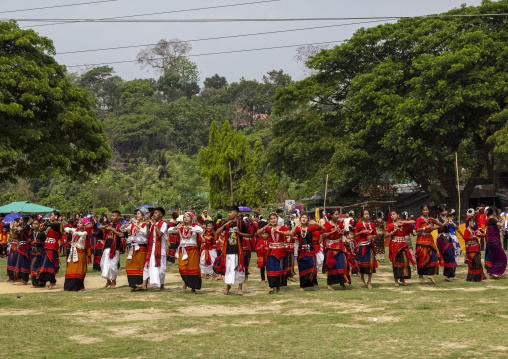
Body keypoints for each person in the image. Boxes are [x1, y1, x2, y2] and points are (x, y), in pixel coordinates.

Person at [216, 206, 252, 295]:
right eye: (228, 212)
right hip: (227, 250)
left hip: (238, 250)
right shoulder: (226, 222)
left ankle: (240, 288)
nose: (229, 214)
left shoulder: (241, 223)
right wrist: (224, 225)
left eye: (231, 212)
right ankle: (228, 286)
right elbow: (217, 232)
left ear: (236, 213)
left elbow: (249, 235)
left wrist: (239, 233)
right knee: (228, 269)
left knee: (239, 270)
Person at [169, 212, 203, 294]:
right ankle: (186, 283)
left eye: (188, 216)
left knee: (192, 268)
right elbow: (169, 230)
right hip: (183, 250)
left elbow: (201, 230)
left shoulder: (195, 227)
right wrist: (176, 227)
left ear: (192, 218)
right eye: (184, 217)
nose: (186, 218)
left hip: (192, 249)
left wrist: (190, 228)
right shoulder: (181, 227)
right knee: (182, 267)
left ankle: (193, 288)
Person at [257, 213, 290, 294]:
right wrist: (266, 226)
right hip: (271, 251)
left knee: (280, 269)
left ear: (277, 219)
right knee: (271, 268)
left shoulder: (282, 228)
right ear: (269, 220)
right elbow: (258, 232)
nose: (273, 220)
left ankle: (278, 286)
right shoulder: (269, 229)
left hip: (281, 251)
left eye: (274, 218)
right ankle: (271, 286)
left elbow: (290, 233)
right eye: (271, 219)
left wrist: (282, 233)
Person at [138, 207, 168, 291]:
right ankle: (144, 284)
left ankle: (161, 285)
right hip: (151, 248)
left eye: (156, 213)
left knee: (161, 269)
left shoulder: (164, 224)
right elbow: (148, 235)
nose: (154, 214)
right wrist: (148, 226)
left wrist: (155, 224)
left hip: (159, 250)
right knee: (147, 266)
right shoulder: (152, 224)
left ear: (161, 215)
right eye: (154, 213)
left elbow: (160, 235)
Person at [290, 213, 322, 290]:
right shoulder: (298, 229)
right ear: (300, 219)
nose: (304, 219)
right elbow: (291, 235)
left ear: (308, 219)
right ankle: (302, 286)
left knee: (312, 266)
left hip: (310, 250)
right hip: (302, 251)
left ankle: (313, 282)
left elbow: (323, 229)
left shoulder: (310, 228)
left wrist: (316, 223)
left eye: (306, 218)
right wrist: (295, 226)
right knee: (302, 268)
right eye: (302, 217)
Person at [321, 209, 351, 291]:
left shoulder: (340, 223)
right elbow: (323, 235)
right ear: (331, 215)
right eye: (336, 214)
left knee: (342, 264)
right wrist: (332, 232)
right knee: (331, 265)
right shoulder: (327, 224)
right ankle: (329, 284)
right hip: (330, 247)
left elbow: (344, 233)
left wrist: (344, 231)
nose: (337, 216)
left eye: (338, 214)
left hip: (340, 246)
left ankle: (342, 282)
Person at [385, 211, 416, 287]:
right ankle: (396, 280)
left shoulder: (403, 222)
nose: (392, 216)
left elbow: (413, 221)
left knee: (405, 261)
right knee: (396, 263)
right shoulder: (391, 225)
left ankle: (402, 279)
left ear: (398, 215)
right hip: (395, 245)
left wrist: (404, 223)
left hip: (403, 244)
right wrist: (392, 232)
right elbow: (386, 235)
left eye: (393, 214)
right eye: (391, 215)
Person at [415, 204, 444, 284]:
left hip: (429, 240)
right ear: (421, 211)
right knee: (421, 258)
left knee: (434, 255)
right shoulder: (419, 219)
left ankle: (431, 274)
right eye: (424, 210)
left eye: (426, 210)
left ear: (429, 210)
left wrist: (435, 221)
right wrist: (426, 228)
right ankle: (420, 275)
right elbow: (417, 229)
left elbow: (441, 225)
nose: (425, 211)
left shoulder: (430, 219)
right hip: (421, 240)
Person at [37, 211, 63, 290]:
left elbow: (50, 225)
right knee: (44, 264)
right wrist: (40, 227)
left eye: (51, 215)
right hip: (46, 246)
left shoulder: (57, 225)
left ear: (56, 216)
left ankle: (52, 282)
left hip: (52, 247)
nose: (50, 216)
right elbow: (41, 229)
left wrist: (44, 223)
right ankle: (42, 279)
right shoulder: (48, 226)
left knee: (50, 265)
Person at [98, 210, 124, 289]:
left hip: (115, 248)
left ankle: (113, 282)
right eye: (111, 216)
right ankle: (108, 281)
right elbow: (99, 227)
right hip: (106, 246)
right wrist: (105, 227)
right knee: (103, 265)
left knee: (112, 266)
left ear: (118, 217)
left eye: (113, 216)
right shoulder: (109, 224)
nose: (112, 217)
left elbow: (122, 235)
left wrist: (112, 230)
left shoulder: (121, 226)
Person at [353, 209, 378, 289]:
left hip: (369, 247)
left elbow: (375, 235)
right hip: (361, 247)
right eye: (365, 214)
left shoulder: (372, 224)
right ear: (362, 216)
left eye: (368, 214)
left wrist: (372, 236)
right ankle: (362, 278)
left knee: (371, 264)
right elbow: (354, 235)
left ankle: (369, 282)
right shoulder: (359, 224)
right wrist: (361, 232)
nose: (366, 215)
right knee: (362, 264)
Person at [125, 209, 149, 291]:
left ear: (143, 216)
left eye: (139, 213)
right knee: (130, 264)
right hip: (133, 247)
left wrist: (139, 227)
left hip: (142, 247)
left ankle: (141, 284)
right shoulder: (133, 224)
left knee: (140, 265)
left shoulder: (146, 224)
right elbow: (123, 229)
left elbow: (146, 233)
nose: (137, 215)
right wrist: (124, 226)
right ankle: (133, 284)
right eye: (136, 214)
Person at [63, 218, 89, 291]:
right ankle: (68, 287)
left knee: (79, 269)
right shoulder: (75, 230)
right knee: (71, 268)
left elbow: (82, 234)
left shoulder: (85, 232)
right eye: (78, 223)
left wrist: (73, 231)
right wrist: (71, 230)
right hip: (74, 251)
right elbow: (66, 228)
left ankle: (80, 287)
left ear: (84, 225)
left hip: (80, 252)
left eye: (81, 223)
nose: (78, 224)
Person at [485, 207, 507, 279]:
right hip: (494, 242)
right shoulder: (492, 219)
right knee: (503, 257)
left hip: (491, 242)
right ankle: (495, 272)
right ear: (494, 212)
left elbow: (493, 230)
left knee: (495, 258)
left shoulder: (490, 220)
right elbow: (500, 224)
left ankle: (493, 272)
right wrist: (504, 219)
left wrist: (500, 231)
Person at [463, 216, 486, 282]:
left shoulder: (474, 231)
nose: (474, 224)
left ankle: (471, 278)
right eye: (473, 222)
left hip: (476, 249)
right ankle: (476, 278)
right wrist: (473, 237)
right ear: (469, 222)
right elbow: (465, 237)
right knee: (477, 263)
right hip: (470, 250)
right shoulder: (467, 230)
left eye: (475, 223)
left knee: (475, 263)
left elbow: (483, 235)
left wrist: (482, 232)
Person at [12, 216, 31, 285]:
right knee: (18, 260)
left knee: (24, 262)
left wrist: (14, 227)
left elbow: (20, 229)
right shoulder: (19, 228)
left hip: (24, 246)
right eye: (19, 220)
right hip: (19, 246)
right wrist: (12, 229)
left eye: (21, 220)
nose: (19, 221)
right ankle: (19, 277)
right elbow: (15, 235)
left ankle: (25, 280)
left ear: (25, 221)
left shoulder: (27, 226)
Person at [28, 218, 46, 287]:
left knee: (34, 265)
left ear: (39, 225)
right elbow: (31, 243)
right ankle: (37, 282)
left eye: (36, 224)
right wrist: (30, 242)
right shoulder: (31, 233)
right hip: (33, 251)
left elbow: (45, 243)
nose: (34, 225)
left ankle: (38, 281)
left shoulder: (42, 233)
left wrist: (37, 243)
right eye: (33, 224)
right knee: (35, 266)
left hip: (40, 251)